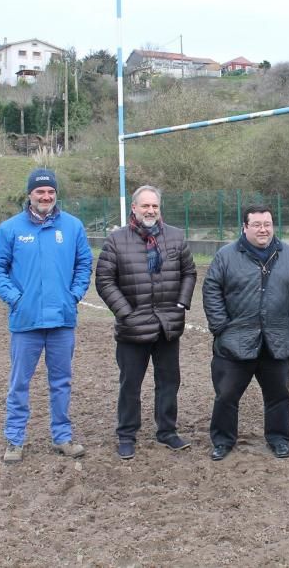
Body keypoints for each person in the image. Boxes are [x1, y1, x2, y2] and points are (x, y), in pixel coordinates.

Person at [0, 167, 94, 465]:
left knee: (61, 381)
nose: (45, 196)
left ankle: (62, 436)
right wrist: (15, 298)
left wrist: (73, 295)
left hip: (62, 320)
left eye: (50, 191)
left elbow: (85, 263)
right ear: (29, 195)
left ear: (55, 194)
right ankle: (15, 439)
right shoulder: (10, 229)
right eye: (40, 191)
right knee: (19, 382)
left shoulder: (72, 227)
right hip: (26, 322)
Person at [94, 185, 197, 460]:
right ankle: (127, 434)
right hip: (133, 328)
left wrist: (180, 303)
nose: (150, 211)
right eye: (145, 206)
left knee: (169, 382)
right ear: (134, 208)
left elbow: (189, 272)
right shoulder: (116, 240)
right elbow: (104, 280)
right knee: (130, 384)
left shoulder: (176, 237)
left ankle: (167, 431)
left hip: (168, 326)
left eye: (155, 206)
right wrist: (125, 312)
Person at [202, 205, 289, 461]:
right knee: (226, 395)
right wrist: (221, 327)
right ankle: (223, 440)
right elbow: (211, 290)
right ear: (245, 227)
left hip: (277, 340)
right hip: (234, 341)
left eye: (268, 224)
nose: (263, 229)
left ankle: (278, 438)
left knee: (278, 395)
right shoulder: (226, 256)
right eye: (257, 225)